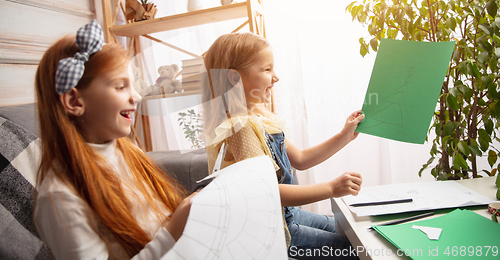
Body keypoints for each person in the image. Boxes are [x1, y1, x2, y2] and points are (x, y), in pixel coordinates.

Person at [34, 20, 194, 260]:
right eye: (121, 86)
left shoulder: (127, 153)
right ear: (75, 102)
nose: (137, 97)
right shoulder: (60, 199)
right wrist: (174, 231)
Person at [202, 32, 364, 259]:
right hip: (270, 231)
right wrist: (331, 188)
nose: (275, 77)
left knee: (349, 231)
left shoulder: (258, 118)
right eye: (267, 70)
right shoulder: (240, 129)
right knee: (355, 250)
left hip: (285, 216)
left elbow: (301, 158)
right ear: (235, 78)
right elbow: (267, 193)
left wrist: (344, 136)